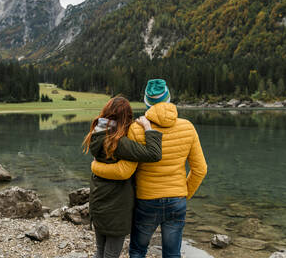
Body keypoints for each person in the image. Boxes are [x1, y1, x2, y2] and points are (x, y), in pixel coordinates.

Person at [91, 79, 208, 258]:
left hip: (146, 200)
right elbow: (200, 169)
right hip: (177, 199)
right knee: (172, 254)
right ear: (168, 98)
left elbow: (124, 171)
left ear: (147, 101)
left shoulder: (136, 129)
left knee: (138, 251)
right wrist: (184, 192)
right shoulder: (188, 127)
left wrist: (95, 166)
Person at [83, 96, 163, 258]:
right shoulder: (118, 142)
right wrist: (148, 128)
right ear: (125, 117)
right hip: (116, 208)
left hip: (98, 201)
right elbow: (154, 153)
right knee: (111, 254)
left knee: (100, 250)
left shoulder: (97, 133)